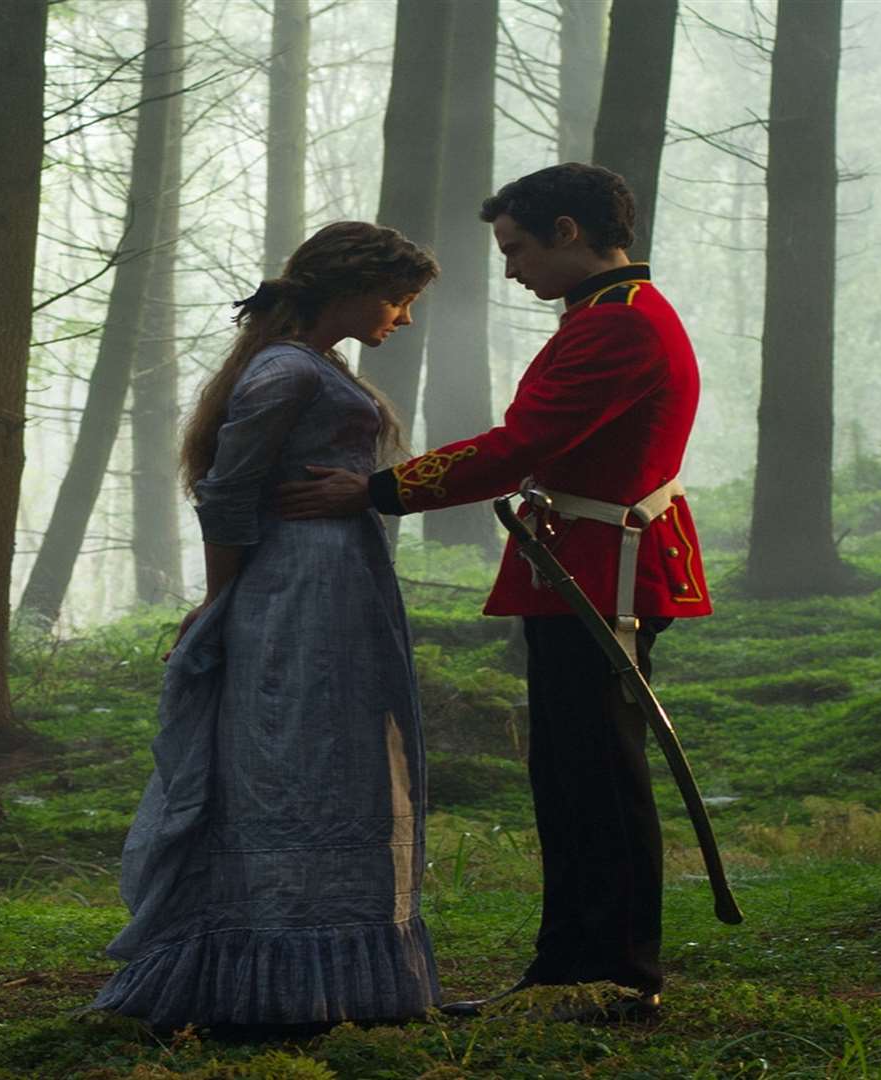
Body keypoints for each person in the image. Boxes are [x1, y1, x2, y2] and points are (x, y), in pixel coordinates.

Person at [277, 163, 712, 1022]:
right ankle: (573, 967)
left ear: (566, 232)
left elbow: (520, 446)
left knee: (596, 778)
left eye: (516, 248)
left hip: (604, 574)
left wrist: (379, 491)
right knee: (570, 774)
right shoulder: (601, 316)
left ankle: (616, 974)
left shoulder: (616, 327)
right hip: (578, 566)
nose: (510, 269)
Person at [91, 221, 442, 1032]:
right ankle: (281, 967)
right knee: (296, 759)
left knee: (341, 757)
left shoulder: (314, 366)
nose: (405, 317)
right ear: (352, 291)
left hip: (337, 585)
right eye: (398, 299)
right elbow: (227, 492)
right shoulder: (285, 372)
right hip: (296, 591)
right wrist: (221, 604)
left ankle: (345, 972)